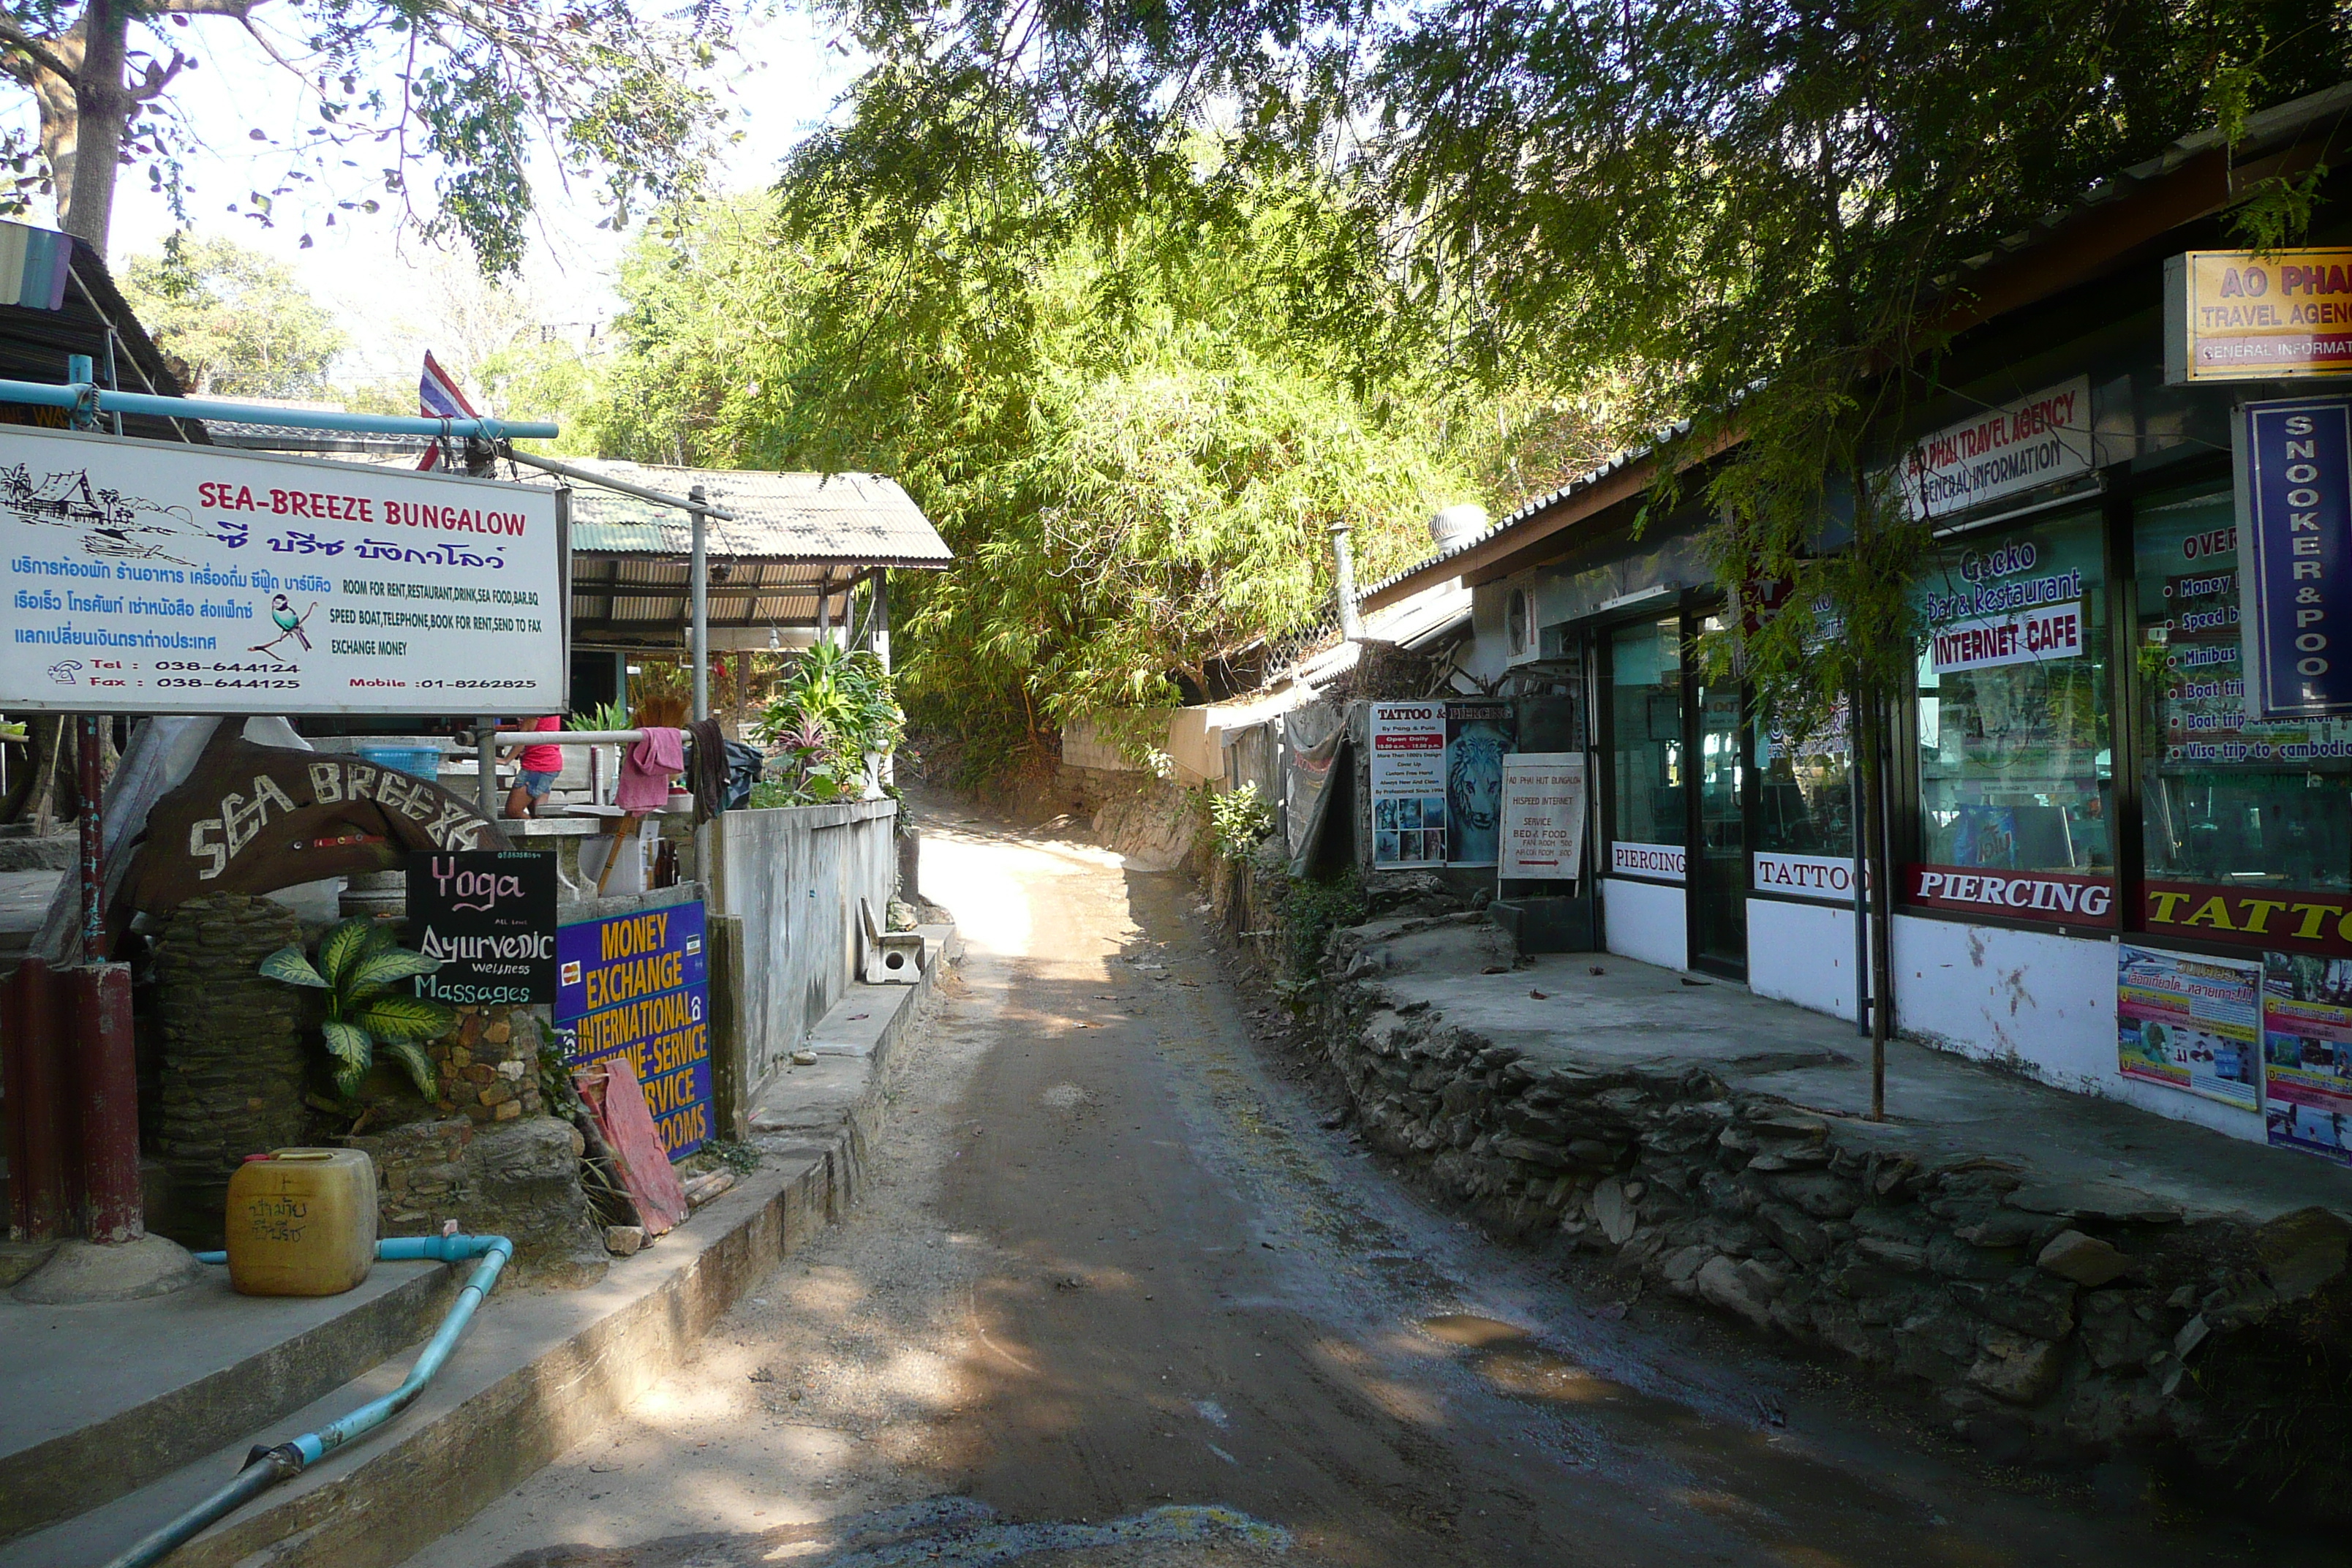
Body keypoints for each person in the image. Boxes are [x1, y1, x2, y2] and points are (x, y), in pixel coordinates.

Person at [503, 715, 563, 818]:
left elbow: (524, 736)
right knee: (538, 813)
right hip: (548, 763)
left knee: (513, 810)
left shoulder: (537, 708)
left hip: (537, 765)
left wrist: (506, 760)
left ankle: (537, 831)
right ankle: (542, 833)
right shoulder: (551, 706)